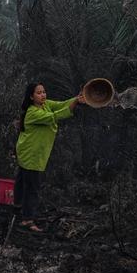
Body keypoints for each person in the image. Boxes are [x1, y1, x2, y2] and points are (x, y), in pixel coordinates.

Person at [15, 82, 85, 232]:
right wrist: (75, 104)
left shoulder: (45, 104)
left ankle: (17, 208)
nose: (43, 95)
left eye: (44, 91)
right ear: (31, 97)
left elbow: (61, 104)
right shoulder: (33, 112)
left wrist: (77, 98)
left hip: (30, 152)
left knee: (23, 182)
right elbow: (56, 116)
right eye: (39, 93)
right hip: (31, 154)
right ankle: (28, 219)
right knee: (32, 188)